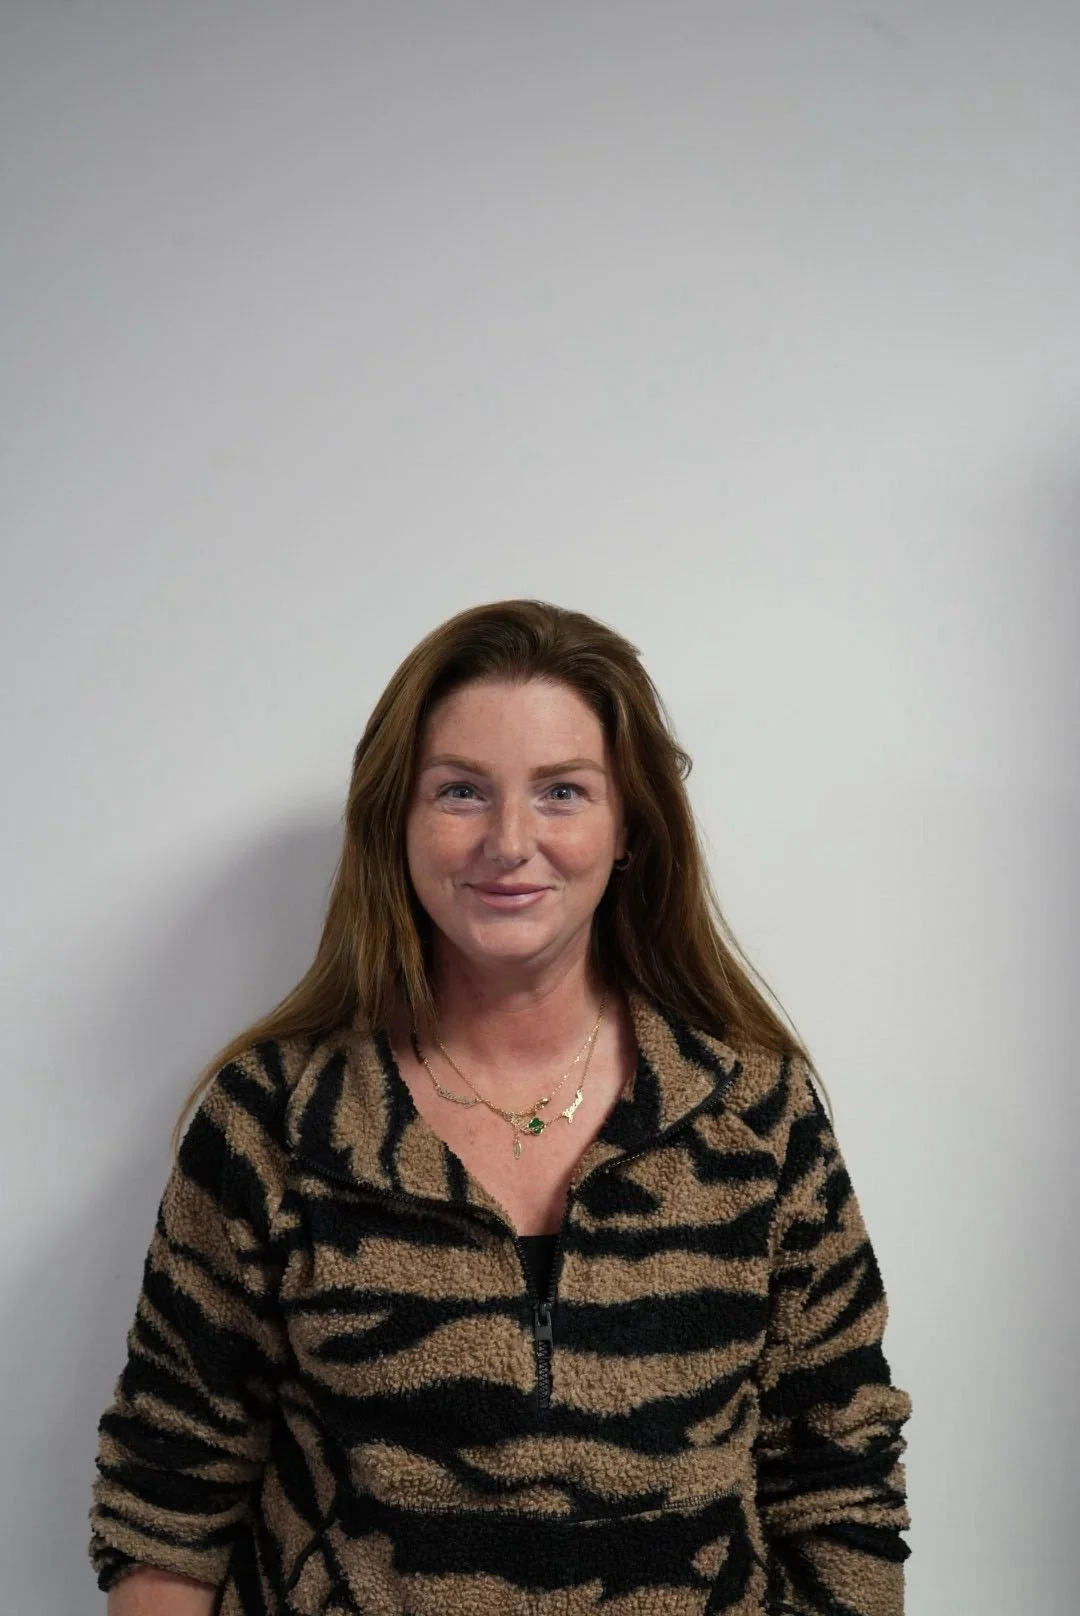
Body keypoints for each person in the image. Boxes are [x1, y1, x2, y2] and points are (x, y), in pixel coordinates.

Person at [89, 599, 912, 1615]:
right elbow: (168, 1497)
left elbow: (840, 1474)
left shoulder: (753, 1113)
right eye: (461, 791)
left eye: (562, 791)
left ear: (629, 830)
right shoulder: (274, 1120)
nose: (509, 840)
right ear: (398, 819)